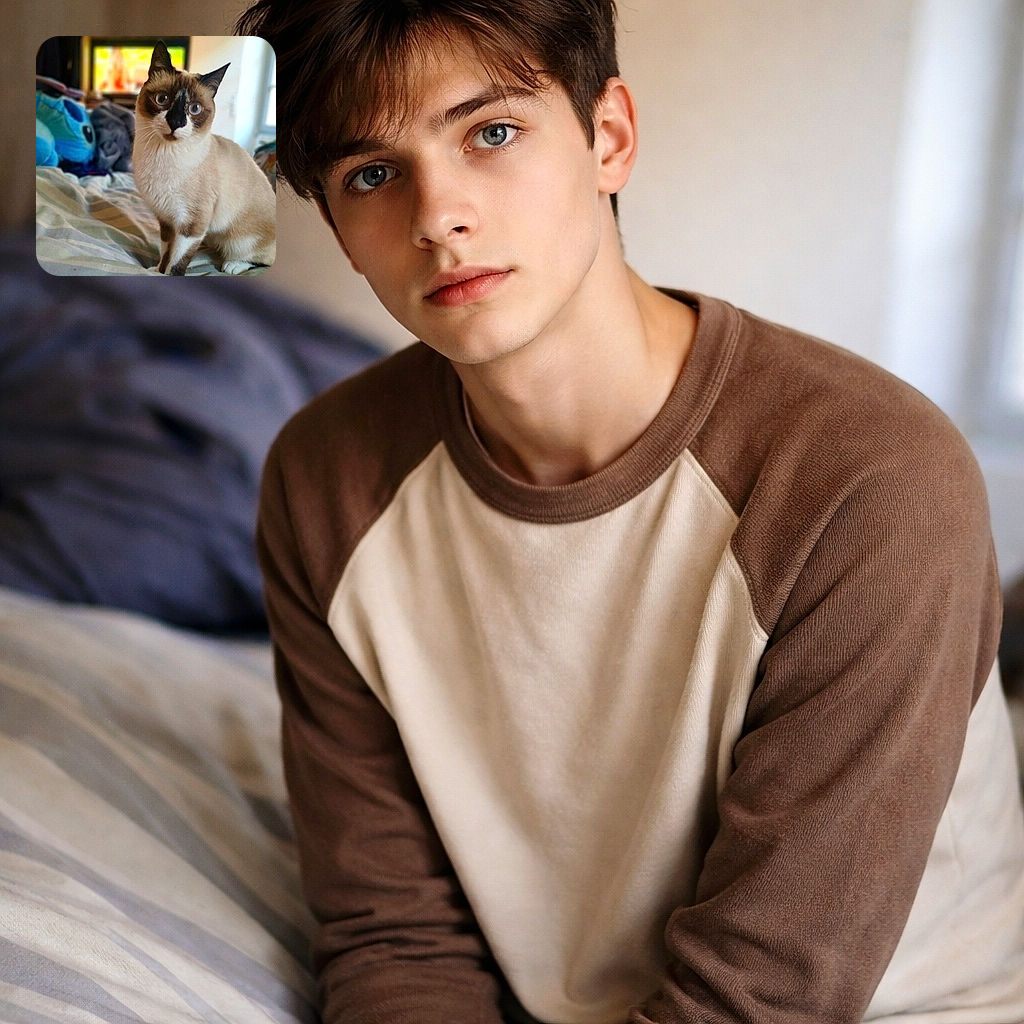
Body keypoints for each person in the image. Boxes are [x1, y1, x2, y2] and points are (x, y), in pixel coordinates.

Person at [238, 1, 1024, 1021]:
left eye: (491, 132)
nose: (437, 216)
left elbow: (762, 999)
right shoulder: (324, 480)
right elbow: (394, 935)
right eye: (372, 175)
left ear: (608, 137)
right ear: (342, 233)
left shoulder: (871, 481)